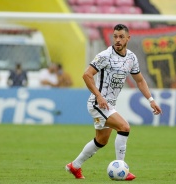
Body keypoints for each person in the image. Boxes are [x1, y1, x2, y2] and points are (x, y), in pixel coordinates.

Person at [65, 24, 162, 180]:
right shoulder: (105, 55)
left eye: (121, 37)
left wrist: (151, 100)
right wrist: (99, 96)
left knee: (101, 141)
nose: (117, 40)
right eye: (115, 36)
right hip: (98, 104)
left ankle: (74, 166)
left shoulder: (131, 57)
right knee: (124, 127)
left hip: (109, 104)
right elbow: (87, 75)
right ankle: (121, 169)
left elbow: (140, 80)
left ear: (128, 38)